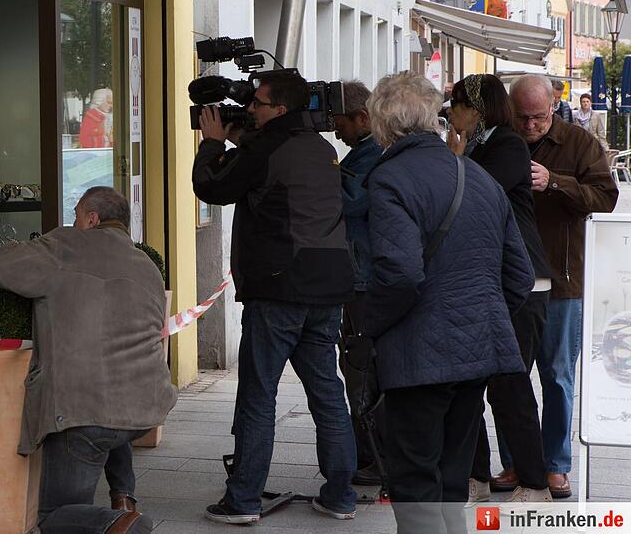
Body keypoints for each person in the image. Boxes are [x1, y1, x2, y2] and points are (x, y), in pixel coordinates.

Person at [365, 71, 534, 534]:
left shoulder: (390, 180)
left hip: (418, 352)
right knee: (452, 476)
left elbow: (400, 274)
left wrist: (369, 325)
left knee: (415, 478)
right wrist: (479, 315)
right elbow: (518, 277)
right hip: (476, 353)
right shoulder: (476, 174)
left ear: (383, 126)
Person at [193, 70, 356, 524]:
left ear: (280, 109)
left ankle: (243, 499)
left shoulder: (266, 148)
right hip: (327, 288)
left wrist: (212, 142)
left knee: (259, 394)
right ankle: (341, 495)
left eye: (258, 104)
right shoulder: (323, 148)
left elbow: (213, 187)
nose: (249, 109)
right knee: (327, 392)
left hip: (280, 288)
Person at [0, 186, 177, 534]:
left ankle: (120, 523)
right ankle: (123, 497)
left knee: (55, 515)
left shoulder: (66, 246)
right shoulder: (147, 264)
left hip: (85, 415)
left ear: (92, 219)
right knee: (112, 417)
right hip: (146, 404)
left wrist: (27, 244)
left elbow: (1, 267)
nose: (71, 223)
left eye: (75, 215)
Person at [446, 74, 554, 504]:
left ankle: (535, 482)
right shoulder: (474, 146)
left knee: (510, 387)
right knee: (467, 383)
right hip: (485, 280)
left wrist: (454, 162)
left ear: (477, 108)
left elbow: (478, 193)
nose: (450, 113)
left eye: (455, 104)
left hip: (520, 283)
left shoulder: (506, 145)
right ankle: (474, 476)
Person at [509, 74, 619, 498]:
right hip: (514, 278)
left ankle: (555, 464)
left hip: (560, 279)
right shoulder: (504, 139)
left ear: (553, 108)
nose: (531, 125)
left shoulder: (579, 142)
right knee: (512, 378)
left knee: (556, 376)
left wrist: (553, 181)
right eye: (523, 117)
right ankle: (518, 462)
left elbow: (604, 197)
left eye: (538, 117)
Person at [333, 80, 385, 487]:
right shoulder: (363, 153)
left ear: (362, 118)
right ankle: (370, 455)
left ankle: (372, 458)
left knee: (361, 368)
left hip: (364, 281)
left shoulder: (369, 158)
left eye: (340, 123)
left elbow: (350, 203)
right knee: (359, 366)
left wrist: (324, 176)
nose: (336, 132)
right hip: (362, 276)